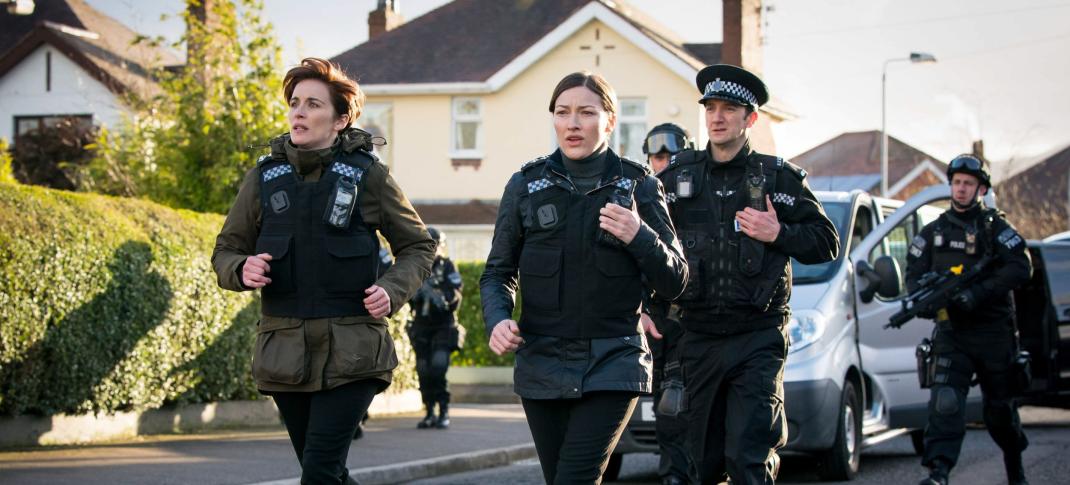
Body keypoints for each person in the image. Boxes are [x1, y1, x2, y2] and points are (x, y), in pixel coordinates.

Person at [212, 57, 435, 485]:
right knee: (327, 473)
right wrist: (243, 268)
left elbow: (418, 246)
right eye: (295, 103)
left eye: (313, 104)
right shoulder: (262, 179)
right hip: (285, 356)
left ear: (341, 118)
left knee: (318, 472)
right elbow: (225, 250)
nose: (299, 112)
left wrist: (392, 289)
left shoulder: (369, 176)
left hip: (354, 351)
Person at [480, 71, 688, 484]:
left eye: (586, 113)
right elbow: (498, 273)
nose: (572, 123)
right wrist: (498, 319)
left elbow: (676, 279)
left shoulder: (639, 185)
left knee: (575, 477)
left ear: (609, 121)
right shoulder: (525, 185)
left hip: (614, 359)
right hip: (541, 361)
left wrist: (639, 235)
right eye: (562, 112)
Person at [657, 64, 839, 485]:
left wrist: (780, 232)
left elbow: (826, 242)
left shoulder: (777, 178)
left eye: (729, 109)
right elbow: (649, 248)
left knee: (747, 458)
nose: (717, 117)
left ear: (750, 118)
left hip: (757, 337)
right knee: (697, 464)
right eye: (711, 108)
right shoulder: (678, 178)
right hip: (696, 338)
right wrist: (649, 308)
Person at [907, 154, 1032, 485]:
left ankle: (1014, 468)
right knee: (945, 402)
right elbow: (914, 277)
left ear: (981, 189)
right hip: (953, 332)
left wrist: (977, 294)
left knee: (1000, 411)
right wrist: (924, 302)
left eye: (969, 184)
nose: (961, 189)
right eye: (957, 183)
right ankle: (939, 472)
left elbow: (1021, 267)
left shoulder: (995, 228)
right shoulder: (932, 233)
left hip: (994, 334)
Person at [640, 122, 695, 485]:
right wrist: (640, 309)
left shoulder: (699, 196)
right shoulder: (640, 196)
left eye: (670, 156)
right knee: (670, 407)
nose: (663, 163)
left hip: (701, 320)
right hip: (660, 322)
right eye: (657, 156)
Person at [409, 226, 464, 429]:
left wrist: (441, 298)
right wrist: (416, 294)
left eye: (434, 244)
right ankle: (429, 411)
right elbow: (406, 296)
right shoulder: (416, 266)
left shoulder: (447, 265)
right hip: (422, 326)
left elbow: (456, 294)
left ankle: (444, 411)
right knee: (423, 370)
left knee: (439, 368)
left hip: (443, 326)